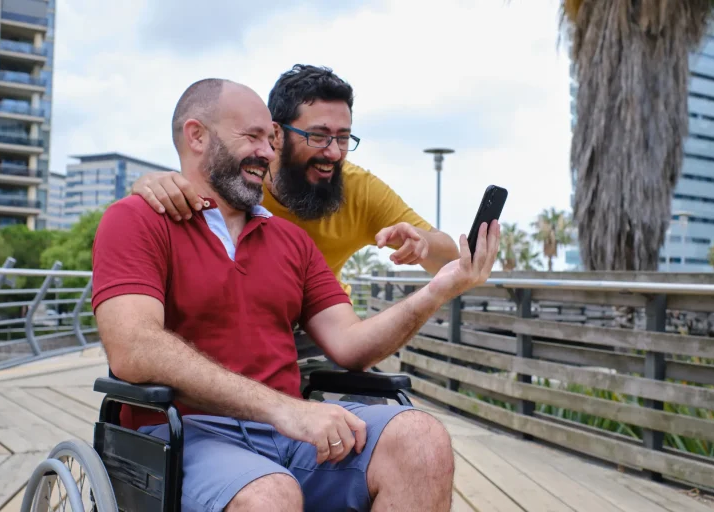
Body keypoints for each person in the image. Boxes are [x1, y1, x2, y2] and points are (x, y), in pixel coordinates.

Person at [92, 78, 500, 512]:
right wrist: (284, 410)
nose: (268, 153)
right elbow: (133, 348)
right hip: (185, 434)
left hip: (288, 433)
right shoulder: (135, 219)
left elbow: (350, 345)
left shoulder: (291, 240)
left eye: (268, 140)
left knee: (421, 440)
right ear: (197, 136)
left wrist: (437, 290)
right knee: (271, 493)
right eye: (252, 137)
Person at [129, 64, 460, 296]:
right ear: (276, 134)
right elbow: (190, 185)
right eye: (317, 136)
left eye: (343, 138)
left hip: (324, 331)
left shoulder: (359, 189)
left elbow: (452, 260)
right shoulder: (243, 179)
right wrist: (149, 186)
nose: (333, 152)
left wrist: (424, 243)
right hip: (248, 330)